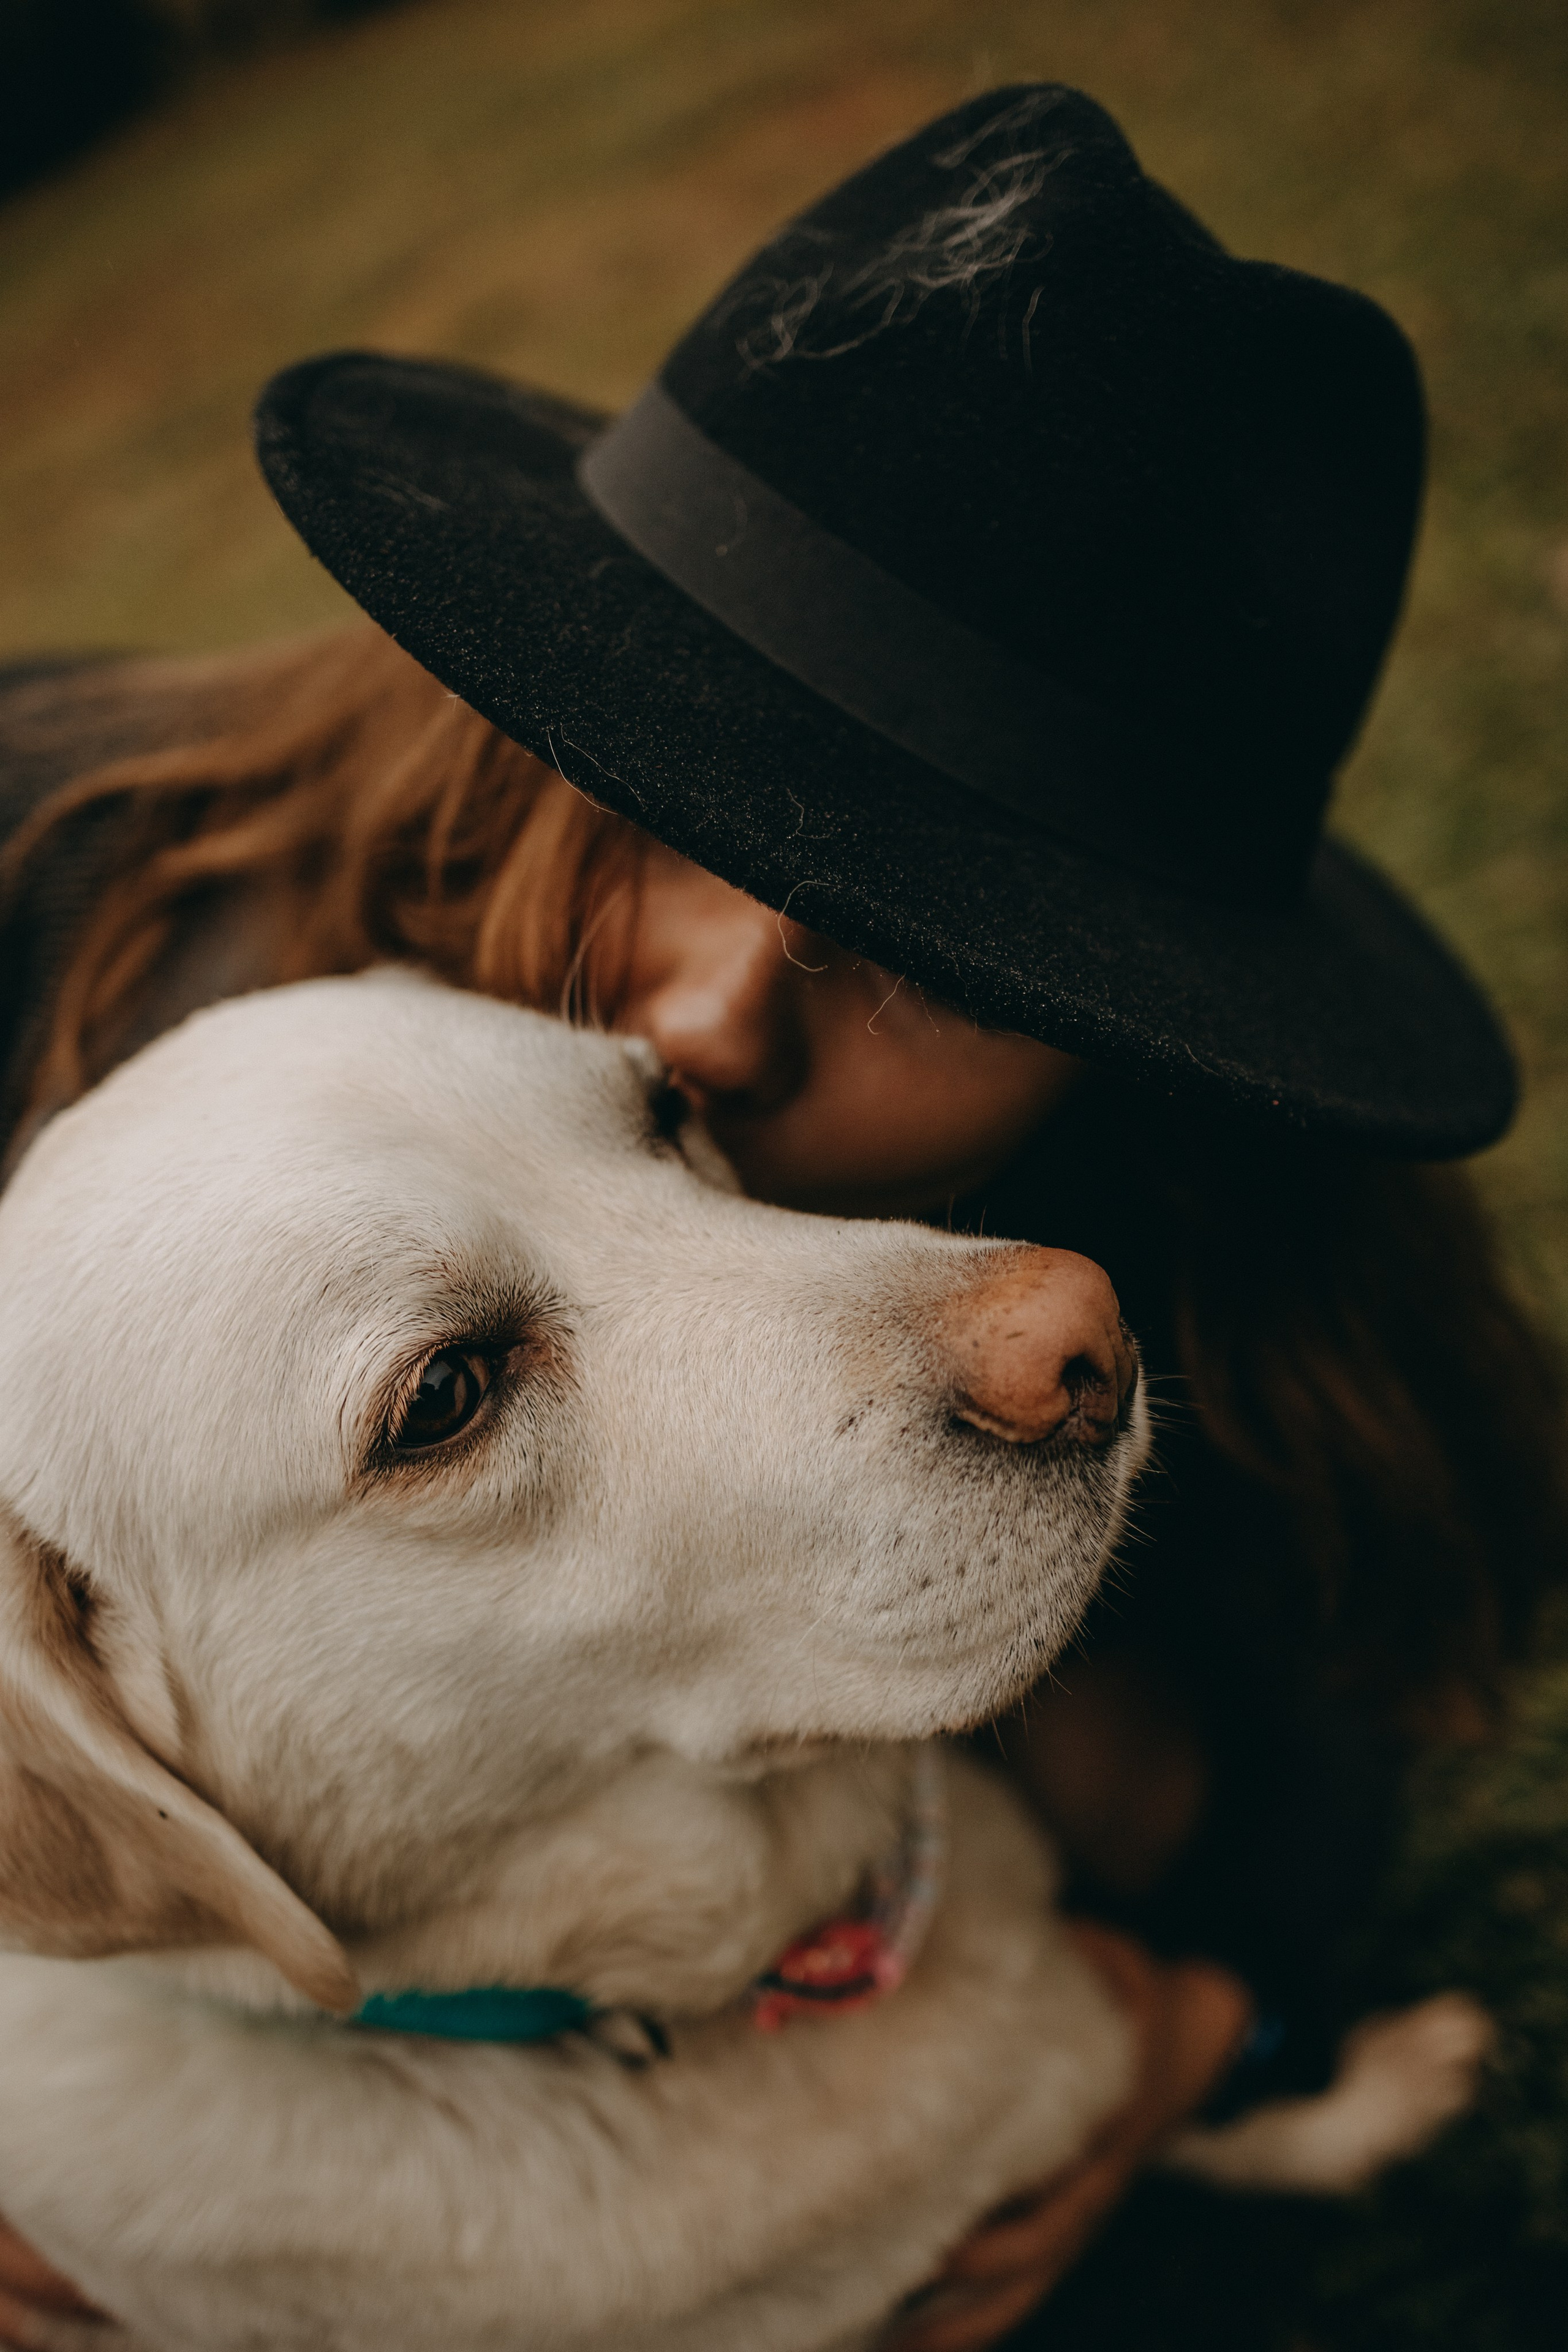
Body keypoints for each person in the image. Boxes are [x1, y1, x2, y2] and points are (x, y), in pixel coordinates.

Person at [0, 84, 1563, 2352]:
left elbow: (1301, 1733)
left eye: (937, 941)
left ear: (1141, 1049)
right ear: (521, 698)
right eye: (666, 789)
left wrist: (1183, 2034)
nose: (715, 1019)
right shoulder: (46, 885)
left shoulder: (1119, 1251)